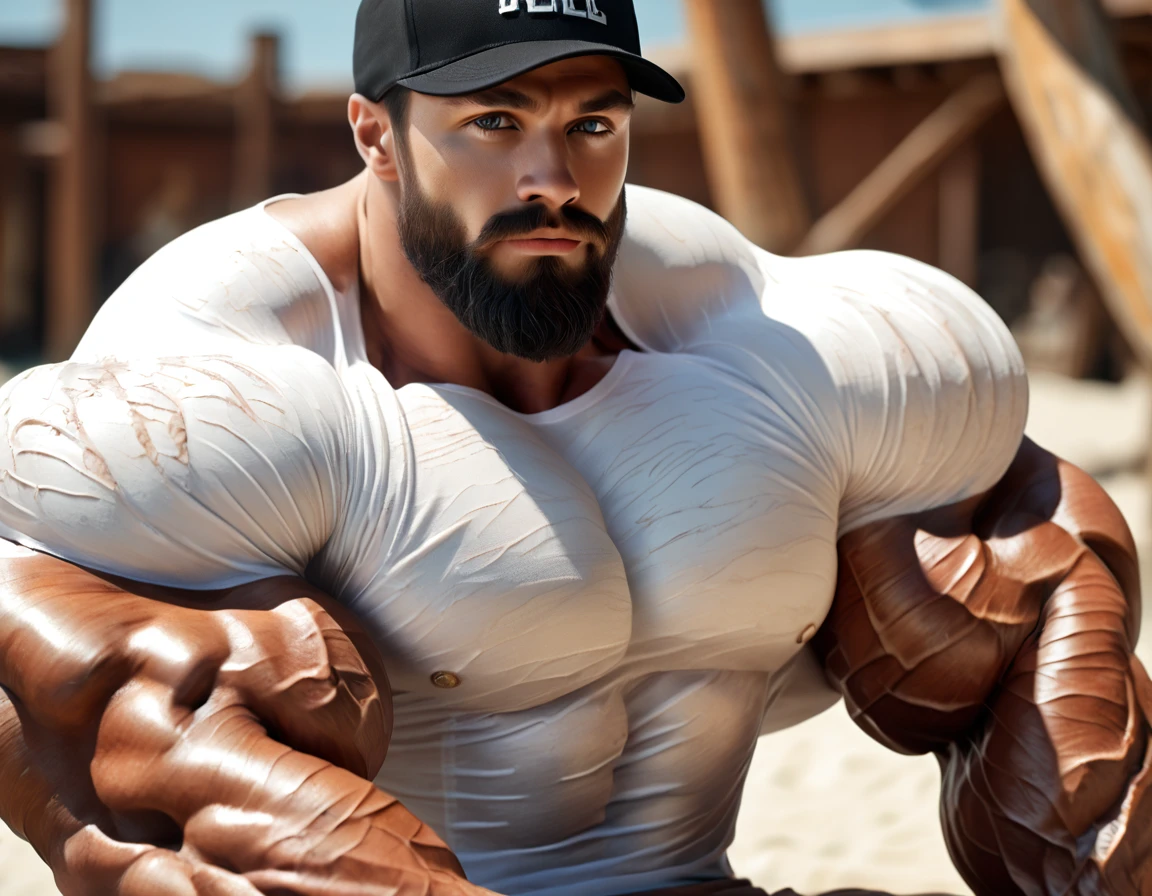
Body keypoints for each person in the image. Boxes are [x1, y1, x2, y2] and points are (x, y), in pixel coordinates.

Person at [0, 1, 1148, 894]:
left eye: (592, 122)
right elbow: (147, 768)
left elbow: (1036, 579)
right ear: (375, 134)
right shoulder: (212, 392)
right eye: (494, 122)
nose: (553, 178)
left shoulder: (779, 345)